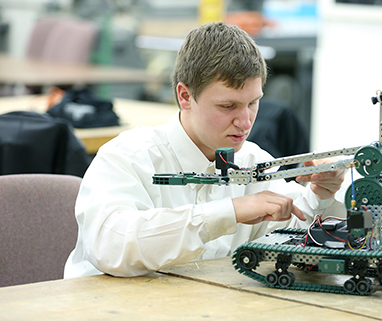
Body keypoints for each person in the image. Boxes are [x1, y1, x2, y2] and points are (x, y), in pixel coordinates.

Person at [64, 22, 345, 278]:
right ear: (185, 96)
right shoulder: (126, 157)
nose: (245, 122)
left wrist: (318, 196)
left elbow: (290, 240)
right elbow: (112, 247)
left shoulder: (254, 160)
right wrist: (227, 213)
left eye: (253, 103)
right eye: (228, 106)